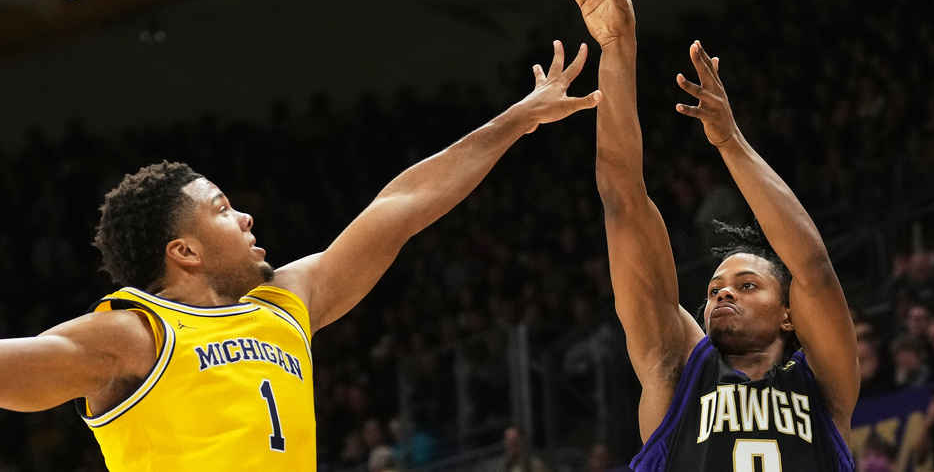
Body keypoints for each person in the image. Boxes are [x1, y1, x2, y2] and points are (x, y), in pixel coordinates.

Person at [0, 43, 601, 471]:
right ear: (183, 251)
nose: (245, 218)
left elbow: (405, 204)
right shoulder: (135, 336)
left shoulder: (288, 302)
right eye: (221, 209)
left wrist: (517, 120)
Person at [564, 0, 859, 471]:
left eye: (747, 286)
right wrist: (617, 48)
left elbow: (811, 266)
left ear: (790, 316)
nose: (722, 295)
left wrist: (731, 143)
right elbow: (623, 202)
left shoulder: (825, 390)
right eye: (715, 289)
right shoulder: (677, 371)